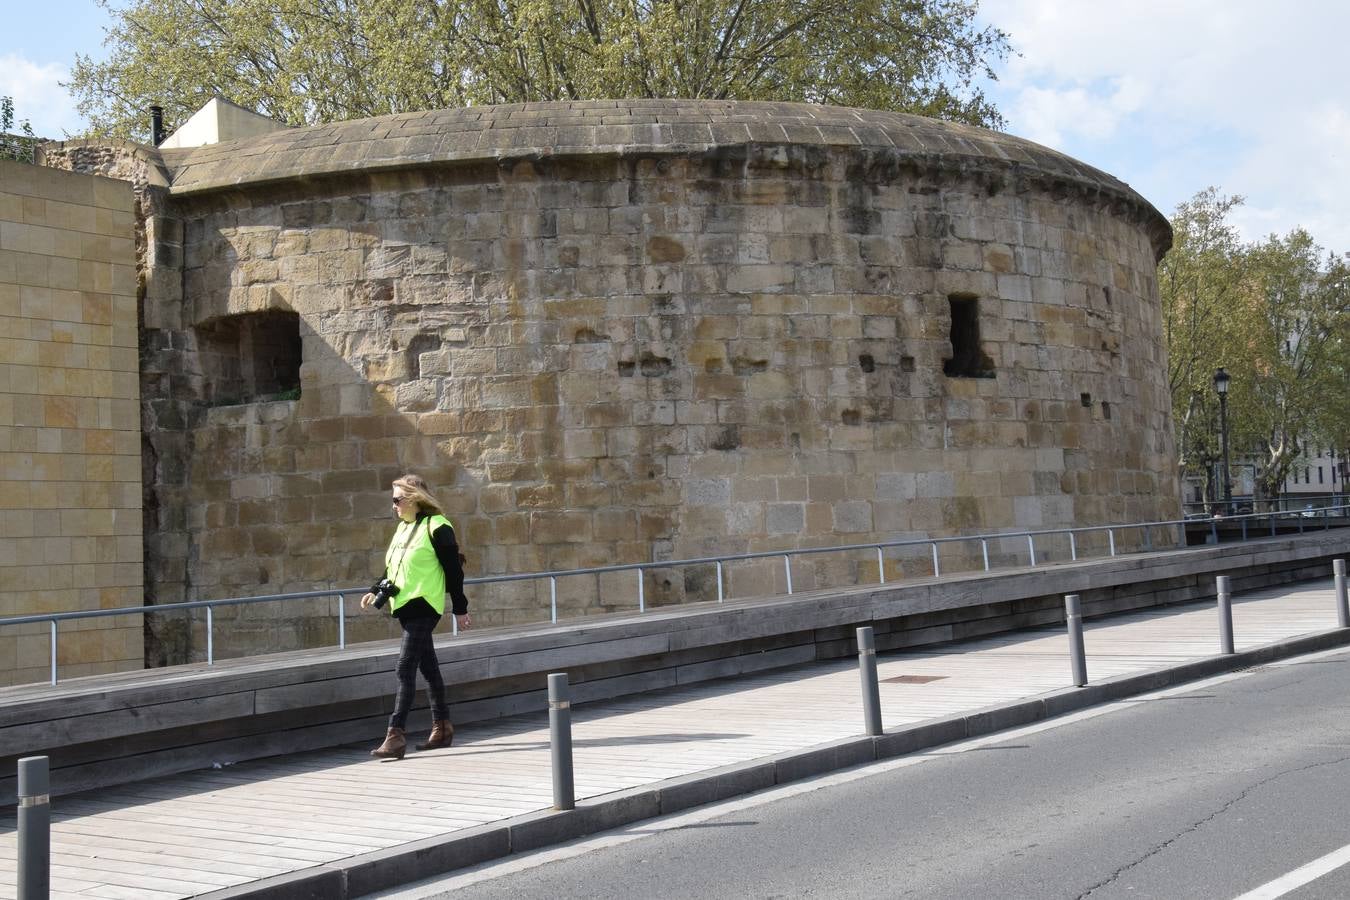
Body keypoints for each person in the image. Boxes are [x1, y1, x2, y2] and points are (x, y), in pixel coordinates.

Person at [361, 473, 471, 760]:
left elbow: (453, 571)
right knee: (428, 668)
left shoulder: (438, 526)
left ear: (414, 499)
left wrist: (460, 608)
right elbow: (393, 567)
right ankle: (443, 726)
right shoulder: (403, 529)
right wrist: (375, 590)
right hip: (404, 606)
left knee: (404, 667)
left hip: (425, 603)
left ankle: (395, 735)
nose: (394, 506)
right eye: (393, 501)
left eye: (397, 500)